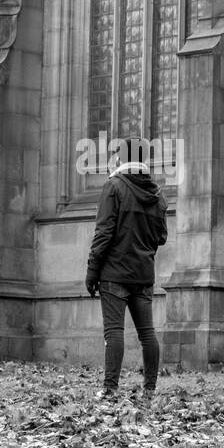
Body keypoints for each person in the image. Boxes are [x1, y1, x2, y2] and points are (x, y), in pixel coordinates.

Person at [85, 135, 169, 405]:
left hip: (114, 275)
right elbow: (161, 237)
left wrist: (92, 270)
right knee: (148, 334)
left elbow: (103, 233)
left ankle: (110, 390)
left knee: (114, 332)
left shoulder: (114, 187)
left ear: (122, 158)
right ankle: (150, 390)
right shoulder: (158, 195)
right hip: (143, 275)